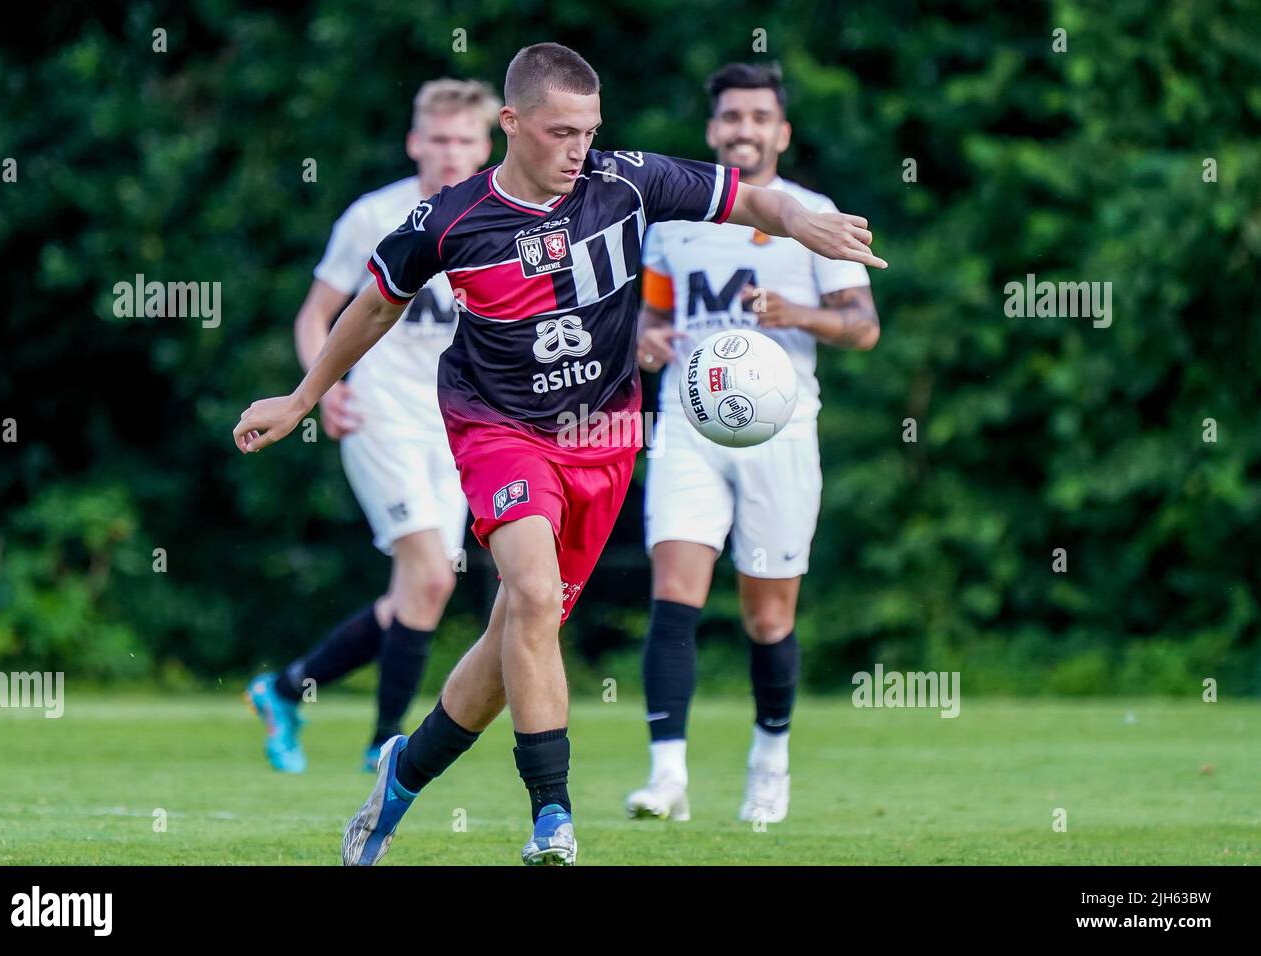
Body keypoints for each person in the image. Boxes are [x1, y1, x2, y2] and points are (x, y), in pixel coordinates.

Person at [233, 42, 885, 866]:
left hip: (602, 438)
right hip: (497, 427)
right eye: (560, 131)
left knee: (512, 645)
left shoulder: (625, 180)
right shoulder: (450, 220)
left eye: (589, 130)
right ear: (511, 124)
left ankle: (402, 775)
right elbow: (370, 309)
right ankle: (553, 817)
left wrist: (808, 223)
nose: (580, 149)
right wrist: (303, 396)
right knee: (533, 599)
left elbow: (754, 201)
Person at [628, 62, 880, 825]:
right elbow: (649, 317)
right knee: (673, 592)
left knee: (768, 618)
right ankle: (666, 776)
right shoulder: (673, 220)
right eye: (731, 116)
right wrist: (646, 341)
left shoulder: (814, 213)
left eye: (759, 117)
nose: (744, 129)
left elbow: (862, 325)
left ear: (782, 132)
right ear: (712, 130)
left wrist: (795, 313)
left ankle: (770, 761)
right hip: (687, 425)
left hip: (781, 433)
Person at [244, 79, 498, 774]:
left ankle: (285, 688)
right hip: (380, 417)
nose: (450, 153)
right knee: (429, 578)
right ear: (416, 141)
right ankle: (385, 742)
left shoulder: (498, 220)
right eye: (438, 139)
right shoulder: (374, 215)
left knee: (417, 592)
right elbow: (312, 317)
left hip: (457, 428)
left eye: (463, 141)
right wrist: (318, 391)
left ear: (485, 147)